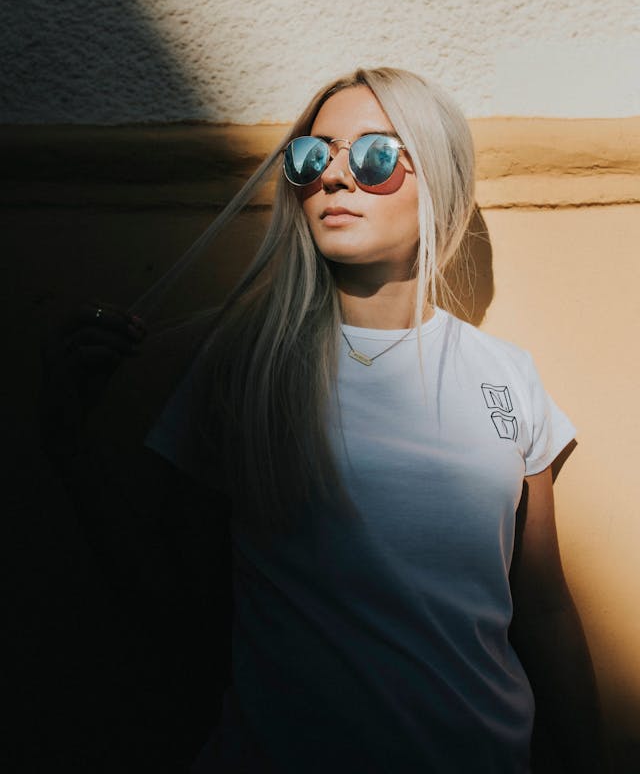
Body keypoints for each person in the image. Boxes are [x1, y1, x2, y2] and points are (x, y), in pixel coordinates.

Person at [40, 68, 607, 773]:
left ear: (439, 178)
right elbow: (175, 601)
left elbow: (544, 609)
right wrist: (68, 443)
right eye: (312, 156)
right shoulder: (243, 368)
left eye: (374, 155)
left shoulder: (506, 375)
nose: (333, 177)